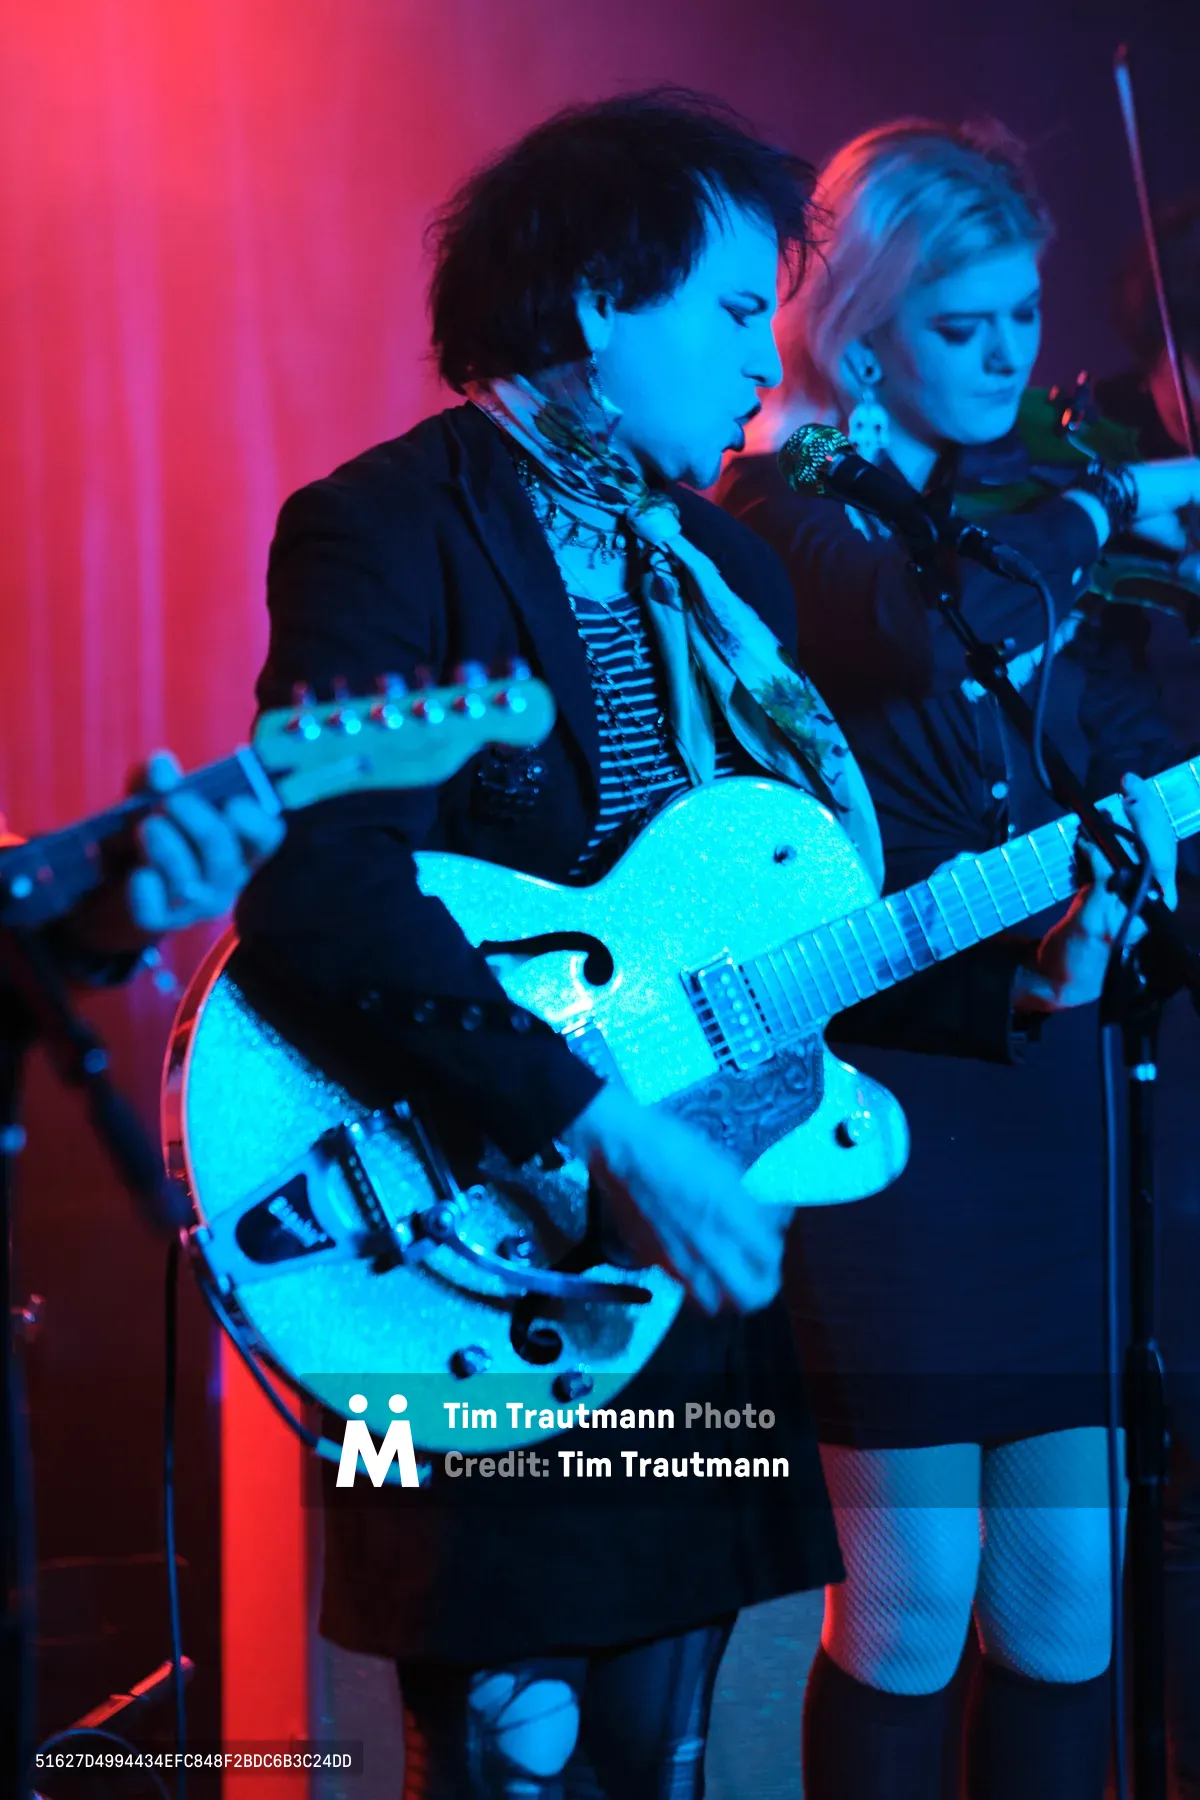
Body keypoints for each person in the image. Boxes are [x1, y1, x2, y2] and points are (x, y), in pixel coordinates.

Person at [231, 94, 1176, 1800]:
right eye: (739, 311)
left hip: (672, 1273)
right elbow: (319, 893)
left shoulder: (722, 567)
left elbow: (773, 936)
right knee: (520, 1753)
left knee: (659, 1758)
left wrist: (1014, 975)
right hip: (466, 1239)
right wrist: (599, 1127)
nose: (770, 356)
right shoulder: (389, 523)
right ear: (602, 300)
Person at [717, 118, 1200, 1800]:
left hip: (1062, 1095)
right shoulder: (778, 507)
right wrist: (1102, 495)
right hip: (893, 1101)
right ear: (858, 327)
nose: (1008, 358)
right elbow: (923, 634)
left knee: (1069, 1603)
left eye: (1020, 318)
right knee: (913, 1604)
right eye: (960, 323)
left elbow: (1117, 736)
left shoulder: (1025, 528)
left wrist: (1152, 878)